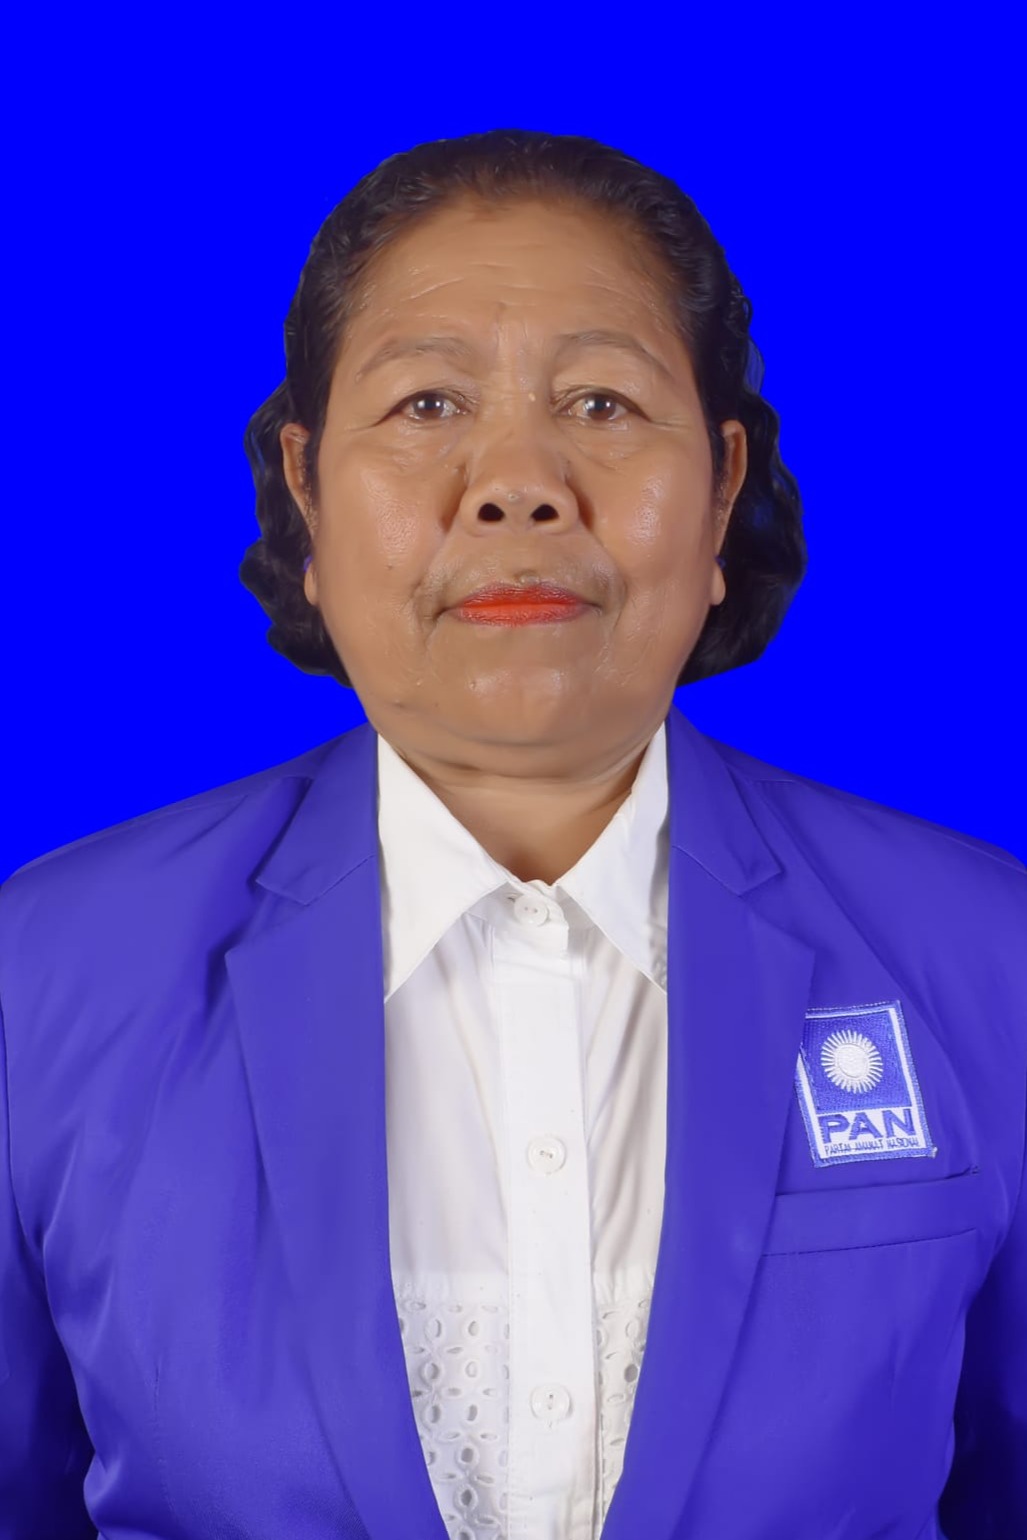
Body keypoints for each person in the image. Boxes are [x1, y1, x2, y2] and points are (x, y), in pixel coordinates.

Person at [0, 127, 1023, 1540]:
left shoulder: (987, 959)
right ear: (307, 490)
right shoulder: (46, 979)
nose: (519, 482)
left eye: (603, 402)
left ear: (721, 487)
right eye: (426, 403)